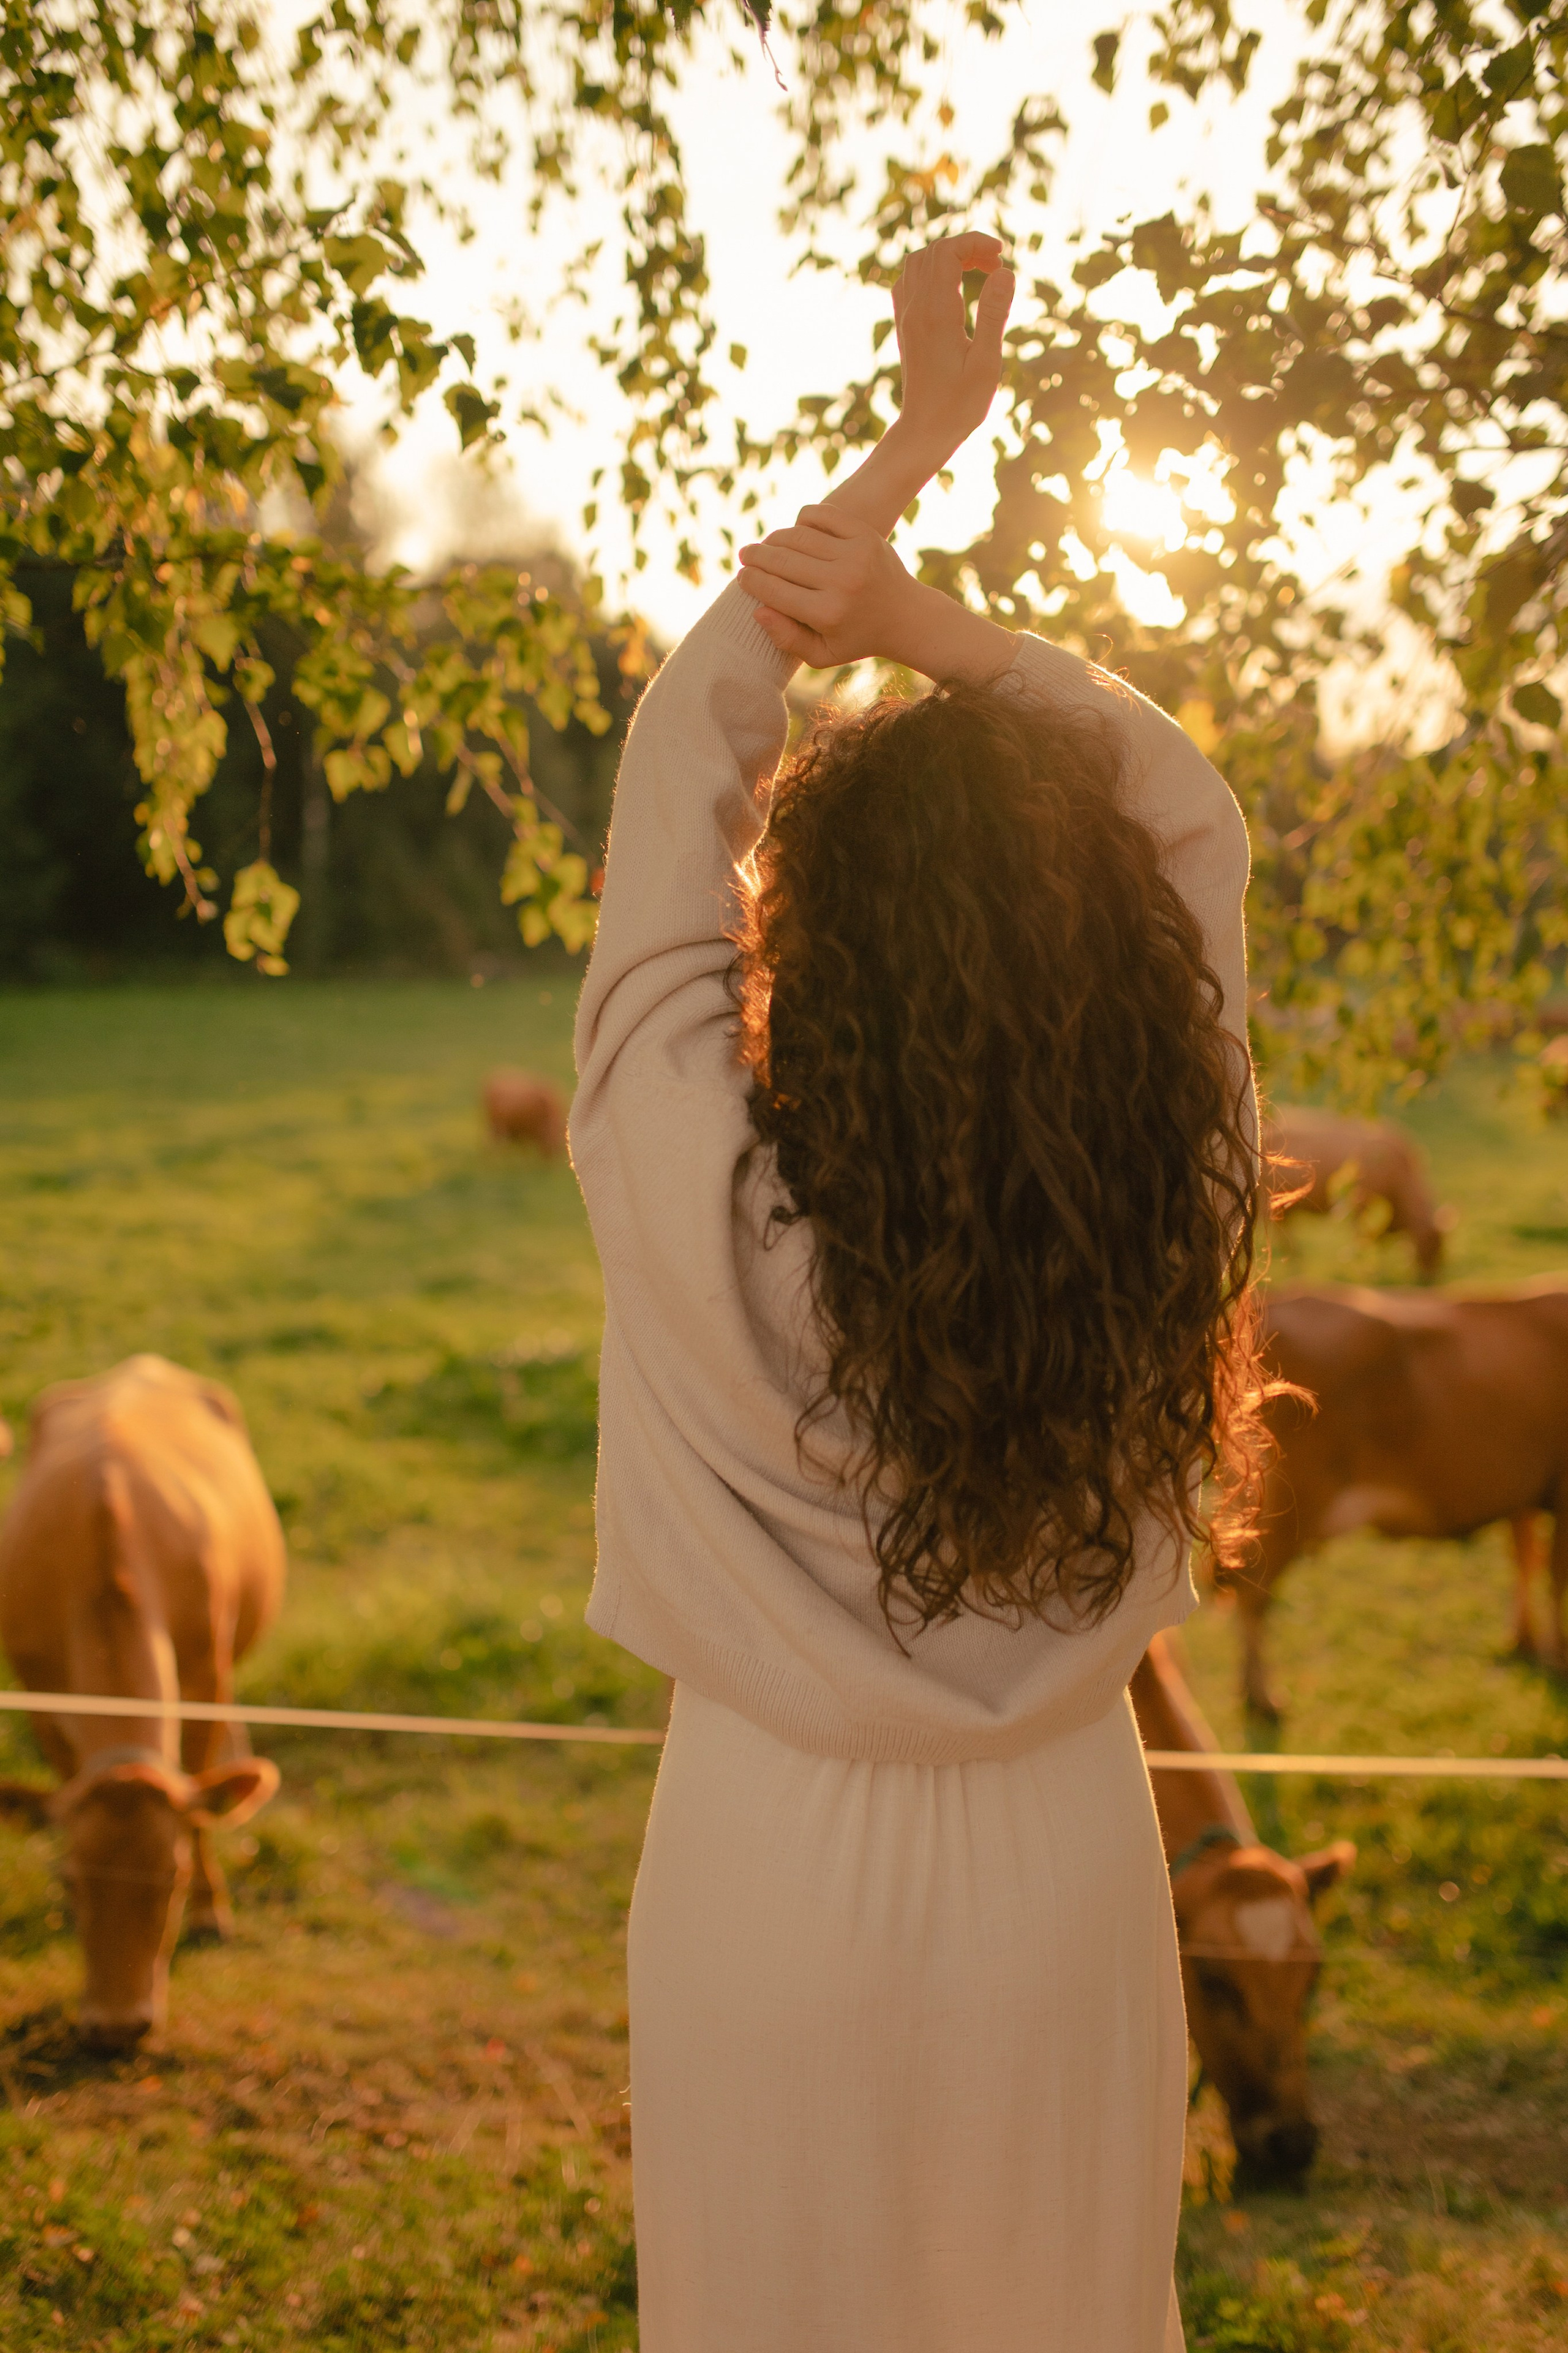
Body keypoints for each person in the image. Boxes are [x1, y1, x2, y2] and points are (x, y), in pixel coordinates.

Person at [569, 232, 1260, 2353]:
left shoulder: (684, 1171)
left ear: (813, 959)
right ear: (1119, 983)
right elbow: (1185, 803)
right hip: (1060, 1860)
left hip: (764, 1862)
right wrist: (942, 629)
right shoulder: (1166, 1183)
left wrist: (900, 457)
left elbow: (681, 764)